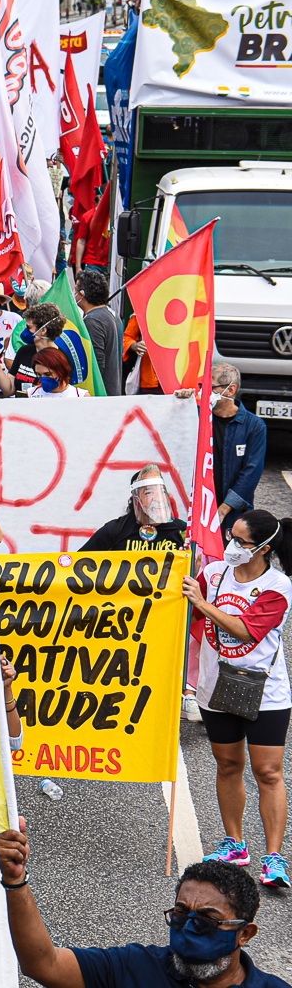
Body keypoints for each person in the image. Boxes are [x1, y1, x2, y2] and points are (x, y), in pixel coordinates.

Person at [0, 820, 291, 988]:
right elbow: (43, 964)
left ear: (245, 933)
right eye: (179, 915)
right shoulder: (135, 967)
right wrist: (15, 881)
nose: (187, 929)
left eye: (206, 920)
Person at [186, 507, 292, 885]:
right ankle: (235, 843)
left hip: (265, 694)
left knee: (268, 772)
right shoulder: (213, 575)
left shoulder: (278, 587)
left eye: (240, 541)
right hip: (215, 689)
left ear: (262, 548)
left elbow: (246, 631)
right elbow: (181, 607)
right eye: (230, 536)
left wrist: (202, 603)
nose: (231, 545)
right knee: (228, 765)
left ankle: (274, 857)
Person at [212, 362, 269, 534]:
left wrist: (223, 509)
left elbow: (251, 473)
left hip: (233, 516)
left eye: (211, 387)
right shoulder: (199, 417)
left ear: (230, 390)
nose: (205, 391)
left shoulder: (254, 426)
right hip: (202, 509)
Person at [80, 465, 189, 551]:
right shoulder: (115, 530)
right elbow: (78, 563)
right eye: (149, 493)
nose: (158, 499)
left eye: (162, 492)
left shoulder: (182, 530)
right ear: (136, 500)